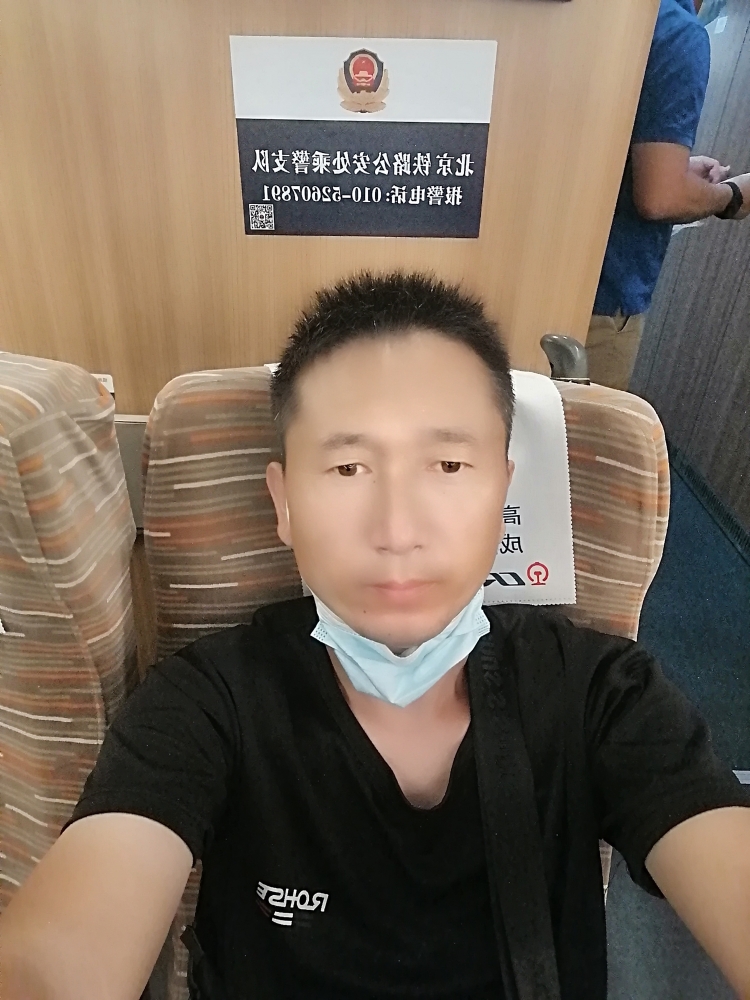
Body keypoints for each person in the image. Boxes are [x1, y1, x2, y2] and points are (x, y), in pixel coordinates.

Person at [1, 272, 749, 1000]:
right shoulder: (204, 700)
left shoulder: (603, 693)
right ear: (284, 503)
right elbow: (61, 955)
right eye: (348, 467)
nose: (396, 529)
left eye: (448, 464)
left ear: (503, 491)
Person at [587, 0, 750, 391]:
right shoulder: (677, 33)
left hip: (532, 275)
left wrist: (671, 164)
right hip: (601, 302)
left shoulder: (603, 15)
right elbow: (660, 197)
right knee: (576, 430)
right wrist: (732, 197)